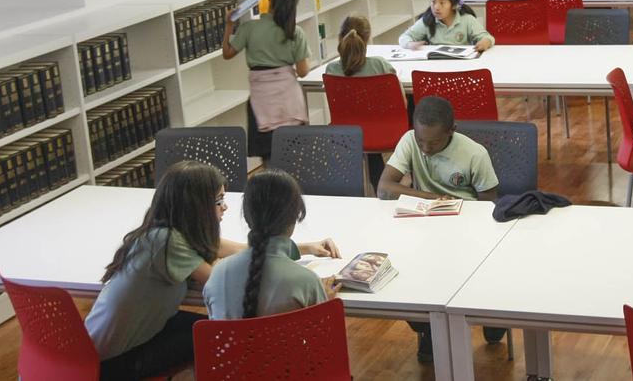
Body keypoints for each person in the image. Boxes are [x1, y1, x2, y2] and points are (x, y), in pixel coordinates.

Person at [86, 161, 246, 379]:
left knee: (209, 327)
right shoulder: (166, 241)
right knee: (221, 334)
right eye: (219, 200)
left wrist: (302, 248)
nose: (225, 207)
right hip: (113, 364)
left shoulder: (165, 231)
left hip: (99, 348)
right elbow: (219, 282)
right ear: (195, 206)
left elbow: (239, 249)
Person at [375, 96, 505, 362]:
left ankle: (492, 312)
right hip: (425, 227)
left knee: (471, 272)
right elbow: (384, 188)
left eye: (433, 142)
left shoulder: (474, 154)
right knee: (405, 277)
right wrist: (430, 198)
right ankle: (427, 329)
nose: (424, 148)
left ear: (451, 130)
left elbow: (487, 206)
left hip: (466, 230)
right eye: (421, 140)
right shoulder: (410, 140)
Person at [204, 170, 342, 320]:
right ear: (296, 215)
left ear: (246, 216)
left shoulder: (218, 274)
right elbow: (323, 337)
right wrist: (324, 304)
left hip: (231, 344)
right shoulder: (306, 282)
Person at [223, 0, 313, 163]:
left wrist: (229, 25)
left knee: (269, 159)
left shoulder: (250, 28)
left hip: (261, 101)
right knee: (294, 158)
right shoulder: (295, 32)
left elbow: (227, 53)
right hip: (289, 101)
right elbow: (303, 71)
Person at [327, 15, 399, 190]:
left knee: (362, 128)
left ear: (340, 38)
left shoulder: (332, 69)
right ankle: (383, 184)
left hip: (346, 132)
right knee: (370, 127)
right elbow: (401, 104)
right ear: (368, 39)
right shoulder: (381, 66)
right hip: (382, 131)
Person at [398, 0, 494, 51]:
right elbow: (404, 37)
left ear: (453, 4)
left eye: (442, 3)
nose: (436, 7)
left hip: (461, 65)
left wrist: (485, 42)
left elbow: (487, 37)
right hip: (435, 65)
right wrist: (410, 44)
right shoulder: (427, 20)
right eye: (433, 2)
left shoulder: (467, 19)